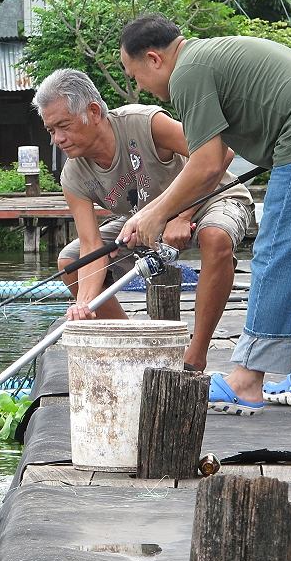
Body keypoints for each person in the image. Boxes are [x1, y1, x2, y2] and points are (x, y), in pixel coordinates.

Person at [117, 14, 291, 415]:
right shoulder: (213, 55)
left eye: (132, 73)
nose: (137, 85)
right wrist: (166, 211)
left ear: (154, 59)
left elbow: (206, 164)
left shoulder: (188, 71)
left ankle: (246, 380)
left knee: (279, 253)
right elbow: (220, 155)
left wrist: (158, 214)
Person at [32, 68, 255, 372]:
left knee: (215, 237)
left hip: (211, 198)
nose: (58, 139)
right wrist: (84, 302)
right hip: (149, 222)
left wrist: (182, 214)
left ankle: (195, 355)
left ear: (94, 112)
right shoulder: (73, 175)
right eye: (50, 131)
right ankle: (136, 345)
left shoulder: (143, 122)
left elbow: (220, 153)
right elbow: (90, 244)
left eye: (63, 126)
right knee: (69, 263)